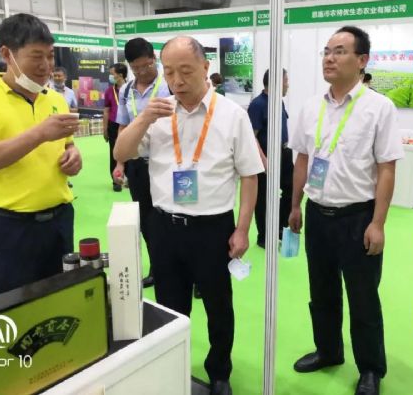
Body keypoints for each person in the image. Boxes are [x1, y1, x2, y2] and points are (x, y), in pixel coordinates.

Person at [114, 36, 262, 395]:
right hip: (164, 226)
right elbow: (122, 151)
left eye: (186, 71)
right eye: (169, 72)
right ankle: (171, 366)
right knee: (169, 306)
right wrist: (143, 117)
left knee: (218, 305)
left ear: (205, 68)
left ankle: (219, 372)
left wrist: (243, 229)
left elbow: (250, 175)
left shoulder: (232, 115)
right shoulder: (158, 113)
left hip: (212, 229)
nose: (176, 81)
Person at [289, 25, 403, 395]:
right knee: (321, 291)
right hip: (318, 215)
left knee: (363, 297)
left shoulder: (379, 108)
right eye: (326, 51)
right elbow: (302, 159)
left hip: (358, 217)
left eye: (339, 51)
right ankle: (328, 350)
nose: (329, 58)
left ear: (362, 60)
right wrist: (294, 205)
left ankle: (370, 369)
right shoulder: (311, 107)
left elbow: (387, 168)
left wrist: (378, 223)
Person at [0, 13, 81, 297]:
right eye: (36, 56)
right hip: (10, 226)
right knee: (12, 306)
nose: (45, 66)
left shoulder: (56, 99)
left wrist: (73, 155)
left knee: (61, 299)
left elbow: (67, 145)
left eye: (50, 56)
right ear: (7, 54)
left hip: (59, 220)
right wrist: (39, 133)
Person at [114, 37, 171, 288]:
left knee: (173, 218)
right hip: (138, 165)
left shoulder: (169, 85)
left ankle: (190, 275)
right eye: (136, 68)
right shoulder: (126, 90)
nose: (142, 72)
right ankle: (157, 268)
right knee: (147, 221)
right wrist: (120, 163)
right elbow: (123, 127)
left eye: (146, 66)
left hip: (167, 164)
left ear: (154, 59)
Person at [247, 68, 293, 248]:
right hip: (266, 155)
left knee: (291, 190)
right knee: (264, 197)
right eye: (286, 81)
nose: (287, 85)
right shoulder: (258, 105)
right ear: (276, 82)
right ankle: (264, 235)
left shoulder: (279, 102)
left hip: (284, 153)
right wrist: (264, 160)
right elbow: (252, 137)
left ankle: (280, 226)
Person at [104, 63, 127, 192]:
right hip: (113, 125)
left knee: (130, 151)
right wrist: (105, 128)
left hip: (128, 124)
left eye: (112, 74)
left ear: (121, 75)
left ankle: (128, 178)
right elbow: (106, 110)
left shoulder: (131, 89)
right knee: (114, 152)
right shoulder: (109, 91)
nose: (110, 76)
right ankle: (116, 181)